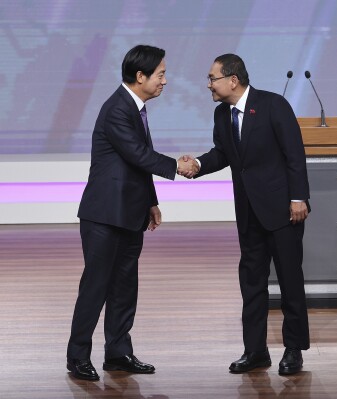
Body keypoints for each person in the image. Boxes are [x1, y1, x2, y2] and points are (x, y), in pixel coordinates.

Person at [66, 44, 198, 381]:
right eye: (161, 74)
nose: (165, 81)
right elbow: (138, 154)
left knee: (125, 285)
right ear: (140, 76)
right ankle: (77, 356)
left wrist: (150, 202)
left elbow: (135, 163)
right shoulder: (117, 109)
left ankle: (118, 353)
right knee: (96, 286)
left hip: (130, 212)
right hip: (104, 215)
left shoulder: (134, 107)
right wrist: (177, 166)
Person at [190, 53, 310, 375]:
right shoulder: (221, 114)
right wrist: (199, 165)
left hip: (283, 211)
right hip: (248, 213)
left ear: (233, 79)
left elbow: (294, 154)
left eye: (212, 78)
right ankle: (255, 351)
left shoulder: (273, 105)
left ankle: (294, 350)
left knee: (289, 281)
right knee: (252, 284)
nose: (208, 85)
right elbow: (223, 154)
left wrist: (299, 198)